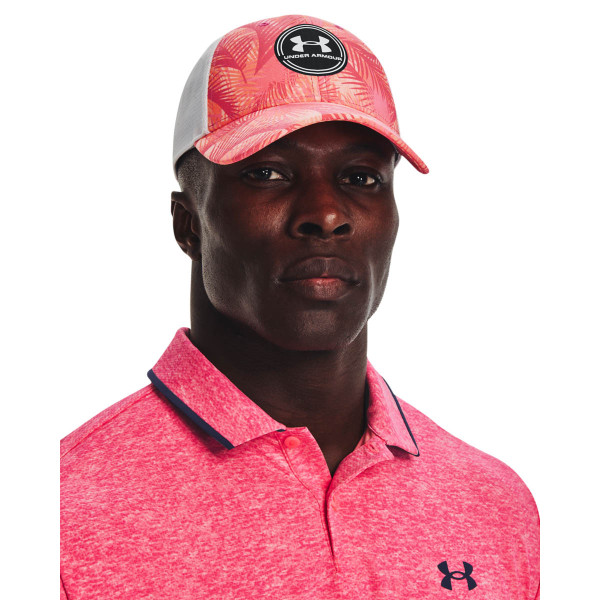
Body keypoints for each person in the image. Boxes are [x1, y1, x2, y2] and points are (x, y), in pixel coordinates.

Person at [60, 14, 540, 599]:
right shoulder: (64, 512)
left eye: (361, 178)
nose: (326, 214)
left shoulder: (495, 507)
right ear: (188, 224)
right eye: (267, 173)